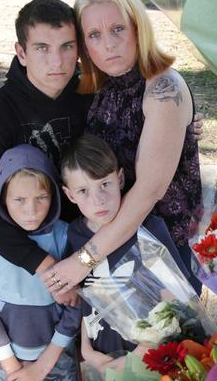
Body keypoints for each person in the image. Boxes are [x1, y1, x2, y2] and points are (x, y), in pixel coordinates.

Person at [0, 0, 203, 300]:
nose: (57, 62)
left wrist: (182, 125)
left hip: (112, 239)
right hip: (37, 256)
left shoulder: (92, 92)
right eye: (42, 48)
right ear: (21, 53)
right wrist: (45, 266)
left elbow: (143, 123)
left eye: (67, 46)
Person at [44, 0, 203, 295]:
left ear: (138, 29)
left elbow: (148, 191)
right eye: (94, 35)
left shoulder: (161, 88)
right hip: (114, 247)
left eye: (118, 29)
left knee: (169, 343)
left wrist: (83, 259)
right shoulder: (102, 85)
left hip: (162, 253)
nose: (108, 45)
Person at [0, 144, 80, 380]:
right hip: (11, 362)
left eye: (41, 197)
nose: (31, 210)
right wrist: (10, 366)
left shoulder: (65, 235)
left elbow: (76, 302)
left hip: (59, 356)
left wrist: (50, 356)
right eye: (19, 199)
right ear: (2, 197)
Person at [61, 134, 139, 368]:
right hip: (99, 354)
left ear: (121, 179)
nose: (98, 200)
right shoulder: (75, 235)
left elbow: (173, 299)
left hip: (149, 355)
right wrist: (86, 348)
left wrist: (138, 358)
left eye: (105, 184)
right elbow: (87, 296)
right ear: (70, 195)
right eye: (83, 191)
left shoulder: (148, 228)